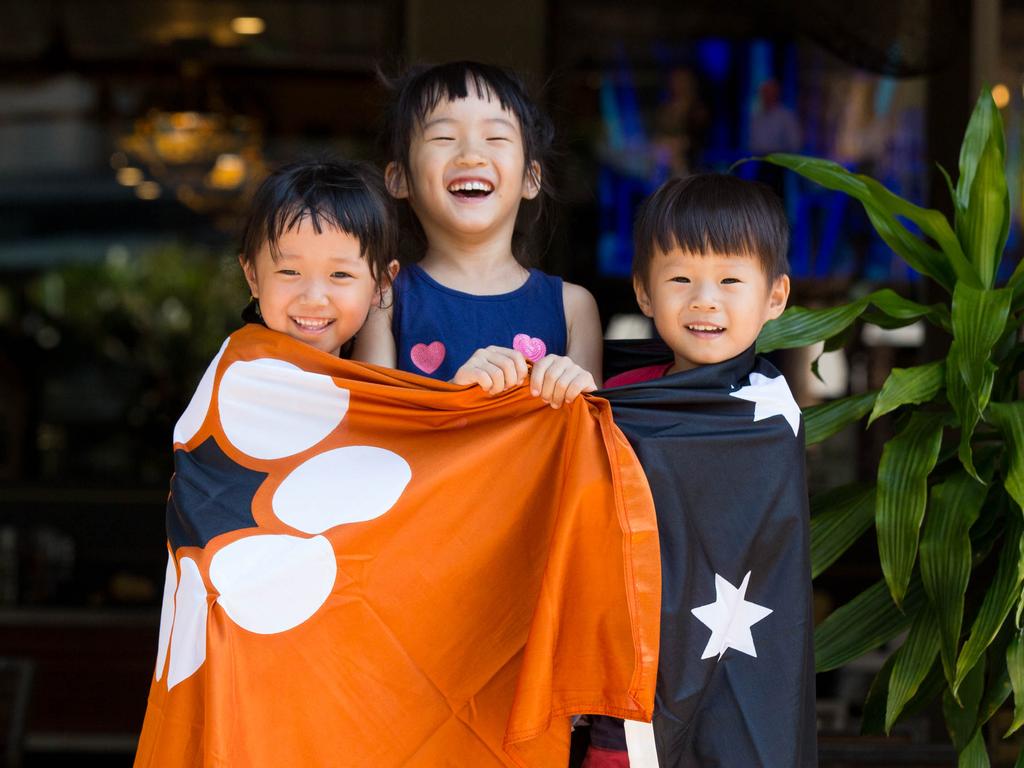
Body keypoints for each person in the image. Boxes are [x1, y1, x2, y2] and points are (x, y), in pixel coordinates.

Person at [585, 173, 793, 768]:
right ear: (645, 294)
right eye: (680, 279)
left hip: (731, 671)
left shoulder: (768, 417)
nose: (705, 300)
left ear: (775, 297)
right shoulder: (615, 399)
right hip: (623, 674)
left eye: (731, 280)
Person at [352, 61, 602, 408]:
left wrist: (574, 394)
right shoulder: (383, 301)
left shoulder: (573, 307)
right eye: (444, 137)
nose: (471, 155)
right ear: (398, 179)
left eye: (496, 137)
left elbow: (591, 439)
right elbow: (372, 433)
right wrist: (454, 397)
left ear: (532, 178)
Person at [238, 159, 398, 357]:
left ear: (381, 283)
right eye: (290, 271)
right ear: (253, 276)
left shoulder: (365, 382)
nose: (314, 299)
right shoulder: (239, 376)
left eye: (340, 274)